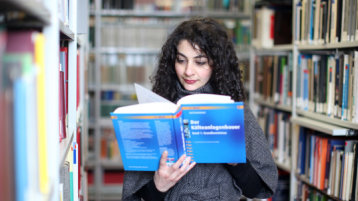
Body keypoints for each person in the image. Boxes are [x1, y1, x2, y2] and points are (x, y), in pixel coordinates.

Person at [121, 17, 278, 201]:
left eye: (200, 62)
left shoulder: (235, 111)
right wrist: (159, 185)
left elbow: (258, 189)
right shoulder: (156, 110)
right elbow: (139, 196)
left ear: (216, 64)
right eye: (181, 60)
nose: (188, 71)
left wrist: (235, 162)